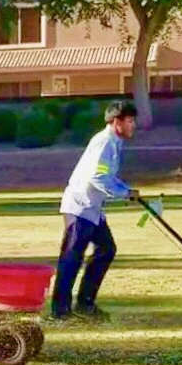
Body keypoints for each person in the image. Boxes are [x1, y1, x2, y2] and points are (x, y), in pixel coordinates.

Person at [52, 101, 140, 321]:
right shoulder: (105, 143)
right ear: (116, 121)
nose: (133, 125)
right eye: (130, 121)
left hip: (92, 209)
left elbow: (106, 177)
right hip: (81, 207)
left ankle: (85, 302)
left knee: (107, 249)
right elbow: (98, 177)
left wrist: (125, 190)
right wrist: (125, 192)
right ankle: (60, 311)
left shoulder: (114, 143)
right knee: (72, 258)